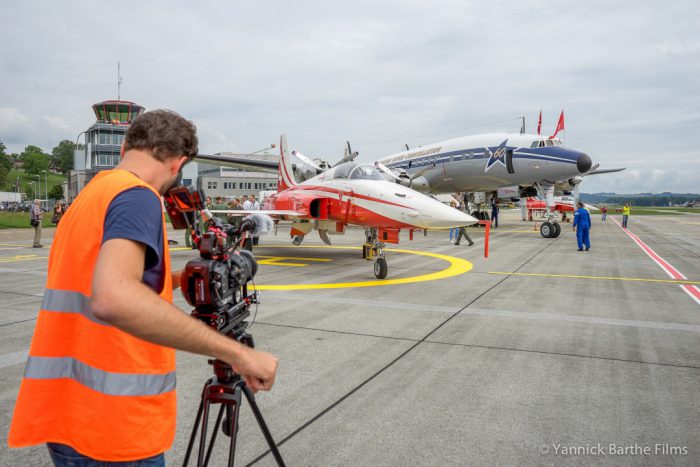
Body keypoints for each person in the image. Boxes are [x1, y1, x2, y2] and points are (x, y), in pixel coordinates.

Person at [8, 110, 278, 465]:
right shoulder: (137, 197)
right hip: (114, 428)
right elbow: (114, 298)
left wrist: (179, 279)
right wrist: (238, 354)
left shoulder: (92, 196)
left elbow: (95, 280)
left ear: (124, 148)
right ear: (178, 163)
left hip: (71, 416)